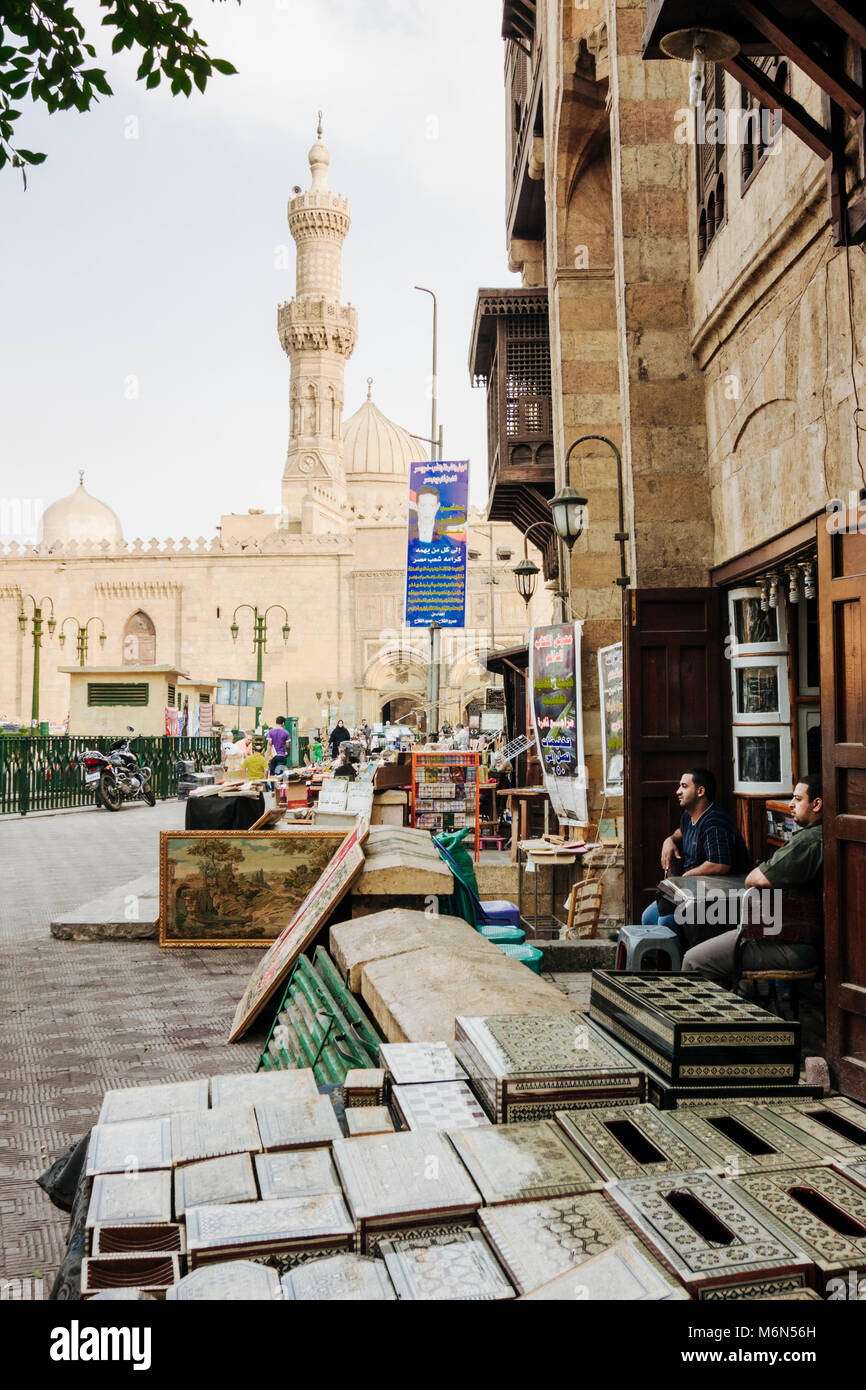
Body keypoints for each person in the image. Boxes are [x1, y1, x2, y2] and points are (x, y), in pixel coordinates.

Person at [683, 773, 823, 988]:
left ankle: (721, 1019)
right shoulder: (820, 835)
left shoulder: (808, 841)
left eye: (798, 799)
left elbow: (755, 878)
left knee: (694, 961)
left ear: (817, 804)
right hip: (790, 935)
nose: (791, 805)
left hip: (789, 943)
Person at [641, 768, 752, 944]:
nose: (678, 791)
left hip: (719, 899)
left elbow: (719, 865)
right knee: (647, 918)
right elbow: (682, 832)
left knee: (665, 922)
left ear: (700, 791)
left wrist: (685, 878)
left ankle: (681, 968)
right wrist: (669, 840)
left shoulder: (714, 823)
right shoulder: (688, 816)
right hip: (690, 894)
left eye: (684, 786)